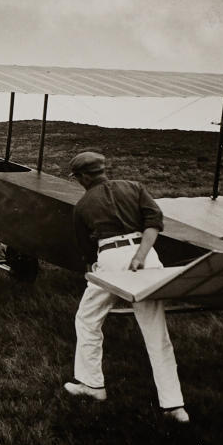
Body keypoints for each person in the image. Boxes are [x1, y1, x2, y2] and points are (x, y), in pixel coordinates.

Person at [65, 151, 190, 423]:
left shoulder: (83, 205)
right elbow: (154, 222)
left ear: (85, 177)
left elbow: (88, 252)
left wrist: (96, 268)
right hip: (148, 257)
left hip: (109, 258)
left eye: (77, 178)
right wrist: (141, 256)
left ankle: (93, 385)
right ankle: (174, 406)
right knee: (156, 332)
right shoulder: (134, 187)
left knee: (87, 317)